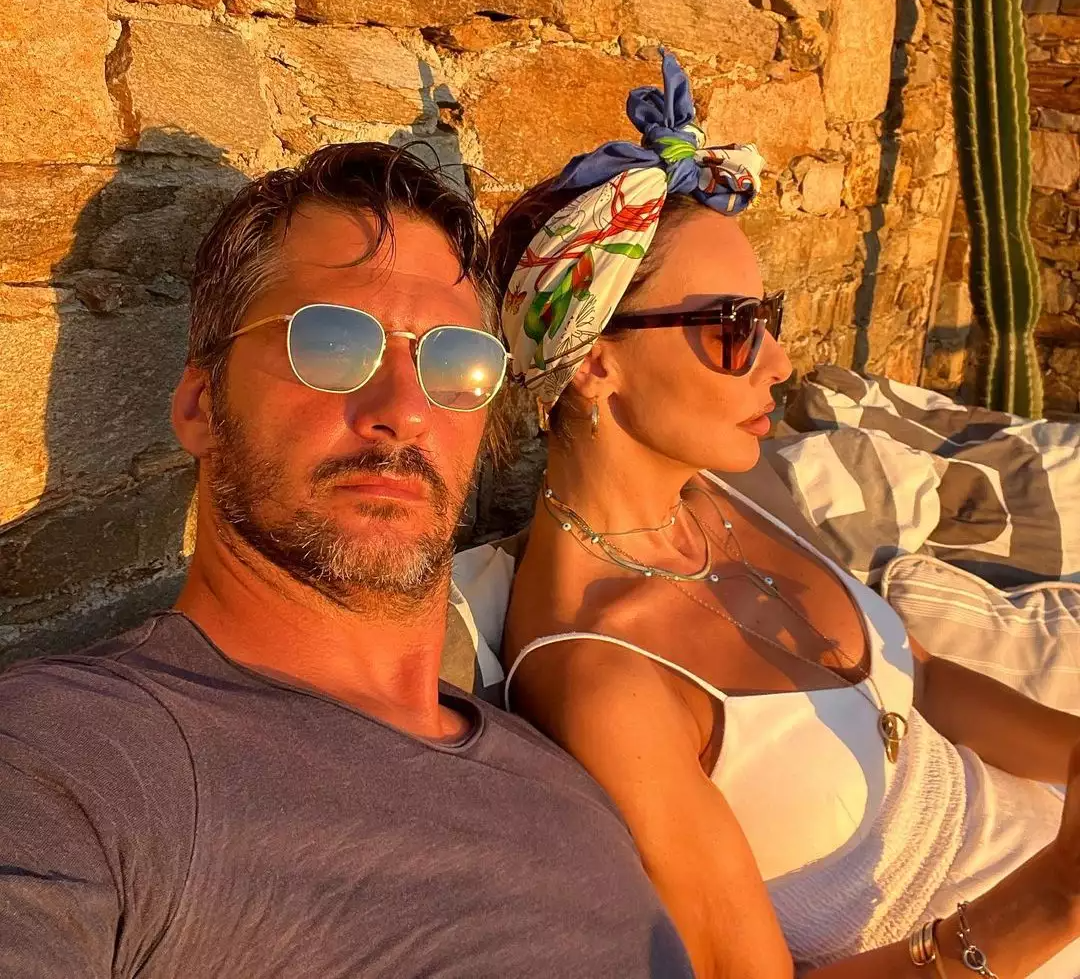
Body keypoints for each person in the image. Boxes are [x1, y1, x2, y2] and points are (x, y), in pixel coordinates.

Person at [0, 143, 693, 978]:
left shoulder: (560, 776)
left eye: (454, 361)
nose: (403, 409)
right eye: (331, 344)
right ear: (200, 405)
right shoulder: (81, 758)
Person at [489, 52, 1080, 978]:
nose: (779, 360)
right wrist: (1055, 897)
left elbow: (922, 683)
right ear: (595, 362)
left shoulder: (716, 496)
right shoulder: (605, 679)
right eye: (732, 327)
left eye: (769, 315)